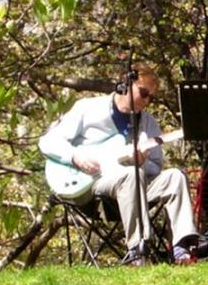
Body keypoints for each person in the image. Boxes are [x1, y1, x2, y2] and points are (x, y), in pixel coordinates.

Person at [39, 64, 198, 265]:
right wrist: (75, 157)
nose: (147, 101)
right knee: (131, 175)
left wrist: (142, 162)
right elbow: (47, 142)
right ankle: (138, 251)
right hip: (93, 189)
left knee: (175, 176)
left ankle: (182, 248)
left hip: (135, 189)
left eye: (152, 97)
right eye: (143, 93)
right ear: (125, 85)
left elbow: (155, 167)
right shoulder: (87, 108)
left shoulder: (148, 124)